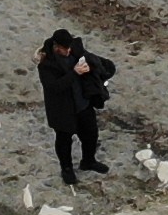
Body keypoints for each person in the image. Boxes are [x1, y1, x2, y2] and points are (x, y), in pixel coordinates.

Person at [36, 29, 112, 191]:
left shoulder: (75, 50)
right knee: (64, 140)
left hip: (83, 103)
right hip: (62, 109)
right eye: (65, 48)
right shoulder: (46, 64)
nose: (68, 51)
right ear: (56, 46)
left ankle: (88, 161)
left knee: (91, 134)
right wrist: (75, 73)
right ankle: (67, 169)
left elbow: (93, 59)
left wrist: (101, 68)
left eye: (69, 47)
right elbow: (54, 87)